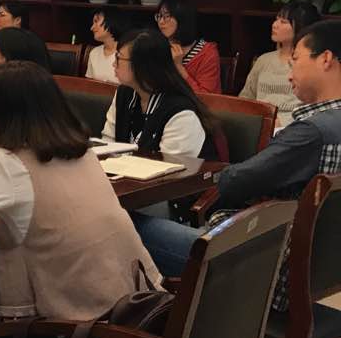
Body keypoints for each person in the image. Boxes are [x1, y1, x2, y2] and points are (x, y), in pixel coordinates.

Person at [0, 61, 162, 320]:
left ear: (1, 115)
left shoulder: (5, 161)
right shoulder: (80, 149)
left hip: (79, 327)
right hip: (137, 306)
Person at [132, 20, 341, 287]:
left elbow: (236, 182)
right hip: (319, 269)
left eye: (296, 60)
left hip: (264, 264)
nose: (290, 75)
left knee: (126, 225)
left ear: (325, 59)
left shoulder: (311, 133)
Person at [103, 29, 216, 159]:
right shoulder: (125, 93)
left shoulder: (181, 112)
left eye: (118, 58)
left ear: (142, 65)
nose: (114, 64)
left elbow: (170, 166)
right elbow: (108, 145)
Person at [241, 1, 321, 128]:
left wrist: (283, 122)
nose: (275, 25)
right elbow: (246, 98)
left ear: (302, 27)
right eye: (276, 20)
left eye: (283, 22)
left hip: (295, 126)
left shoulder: (312, 63)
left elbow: (317, 107)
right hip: (259, 123)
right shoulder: (263, 60)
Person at [155, 0, 220, 94]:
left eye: (166, 16)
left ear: (183, 19)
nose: (161, 22)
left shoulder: (207, 53)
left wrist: (179, 67)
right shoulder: (158, 46)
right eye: (159, 16)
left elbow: (206, 98)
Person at [84, 7, 128, 85]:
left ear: (112, 21)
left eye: (96, 21)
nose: (92, 28)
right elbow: (89, 85)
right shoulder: (94, 53)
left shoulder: (128, 53)